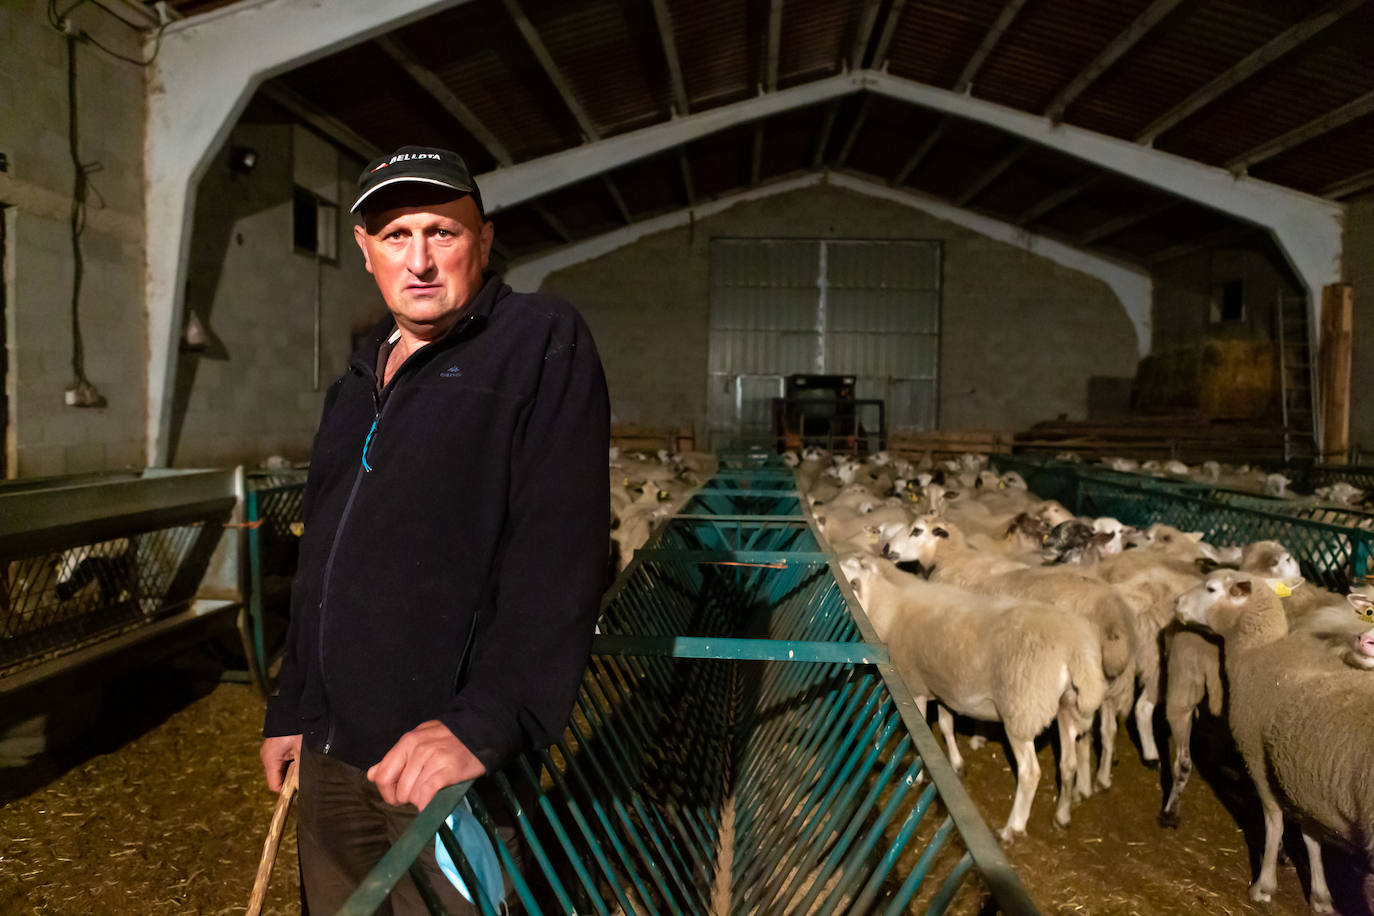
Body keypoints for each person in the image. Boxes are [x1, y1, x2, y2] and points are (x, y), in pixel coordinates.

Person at [259, 145, 609, 914]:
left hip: (437, 759)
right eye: (395, 236)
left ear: (483, 241)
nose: (418, 259)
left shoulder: (538, 342)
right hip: (328, 755)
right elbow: (321, 558)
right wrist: (291, 708)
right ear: (365, 251)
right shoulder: (356, 381)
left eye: (441, 233)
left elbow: (562, 553)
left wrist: (482, 725)